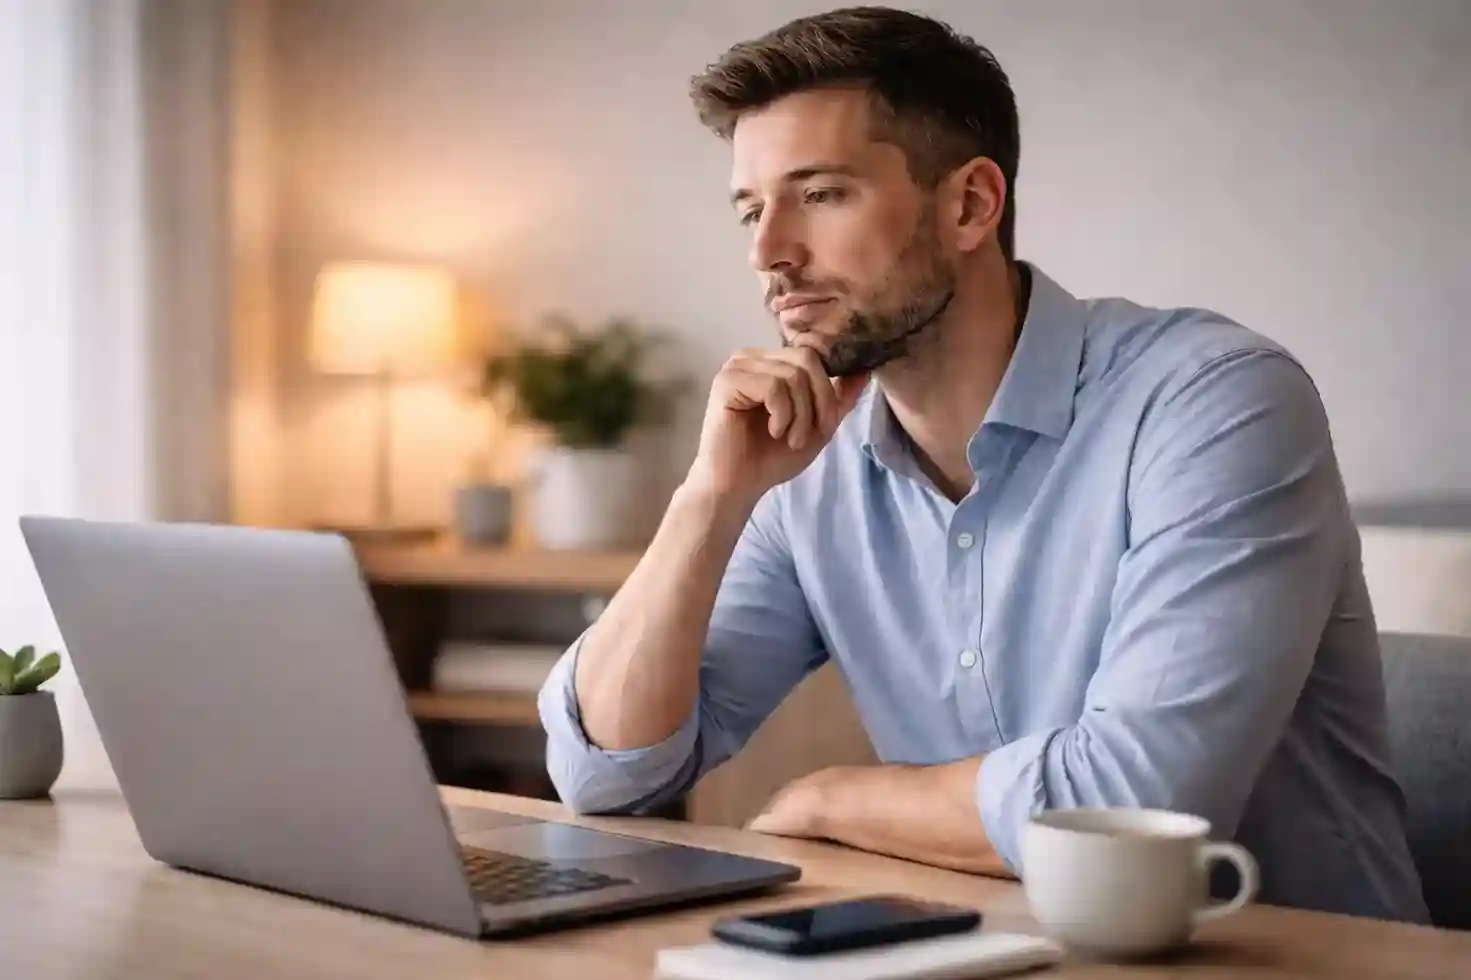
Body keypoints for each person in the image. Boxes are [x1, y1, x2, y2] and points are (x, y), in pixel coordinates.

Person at [536, 6, 1429, 922]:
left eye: (820, 194)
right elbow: (606, 771)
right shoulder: (805, 464)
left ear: (968, 204)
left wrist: (832, 798)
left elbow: (1134, 806)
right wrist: (709, 496)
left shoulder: (1215, 403)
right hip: (990, 953)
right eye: (752, 210)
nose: (769, 254)